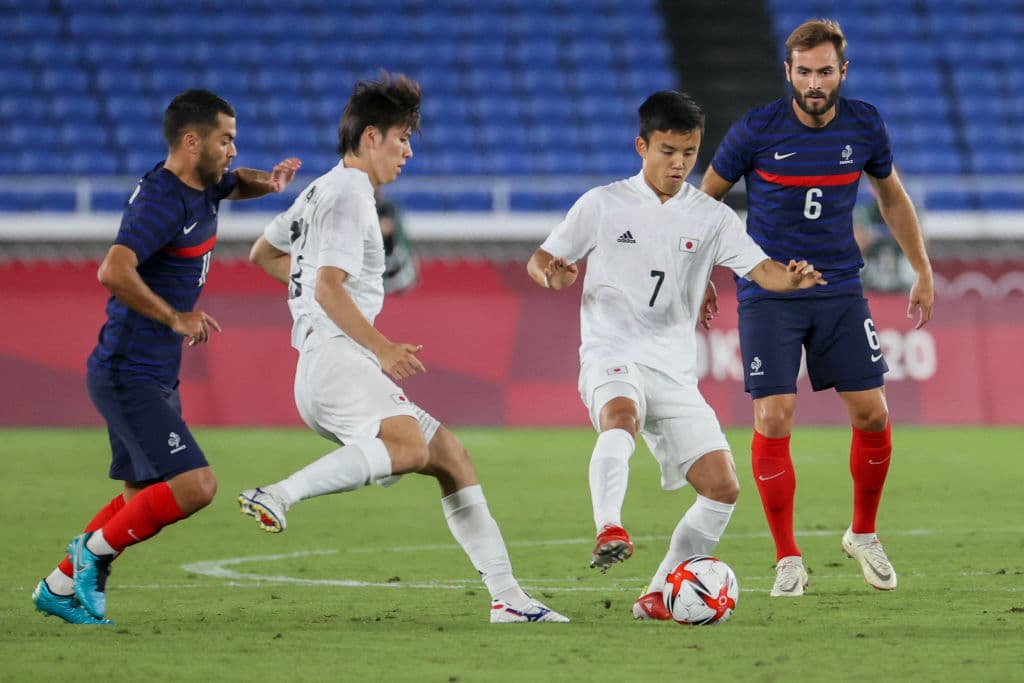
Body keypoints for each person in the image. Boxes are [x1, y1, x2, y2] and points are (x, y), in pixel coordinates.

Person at [238, 72, 568, 624]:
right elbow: (326, 286)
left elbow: (263, 254)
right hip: (339, 359)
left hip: (332, 362)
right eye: (402, 138)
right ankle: (279, 493)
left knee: (451, 457)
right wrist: (383, 346)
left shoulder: (321, 188)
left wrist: (322, 305)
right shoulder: (349, 195)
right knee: (410, 446)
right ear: (371, 137)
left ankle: (508, 599)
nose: (409, 151)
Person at [526, 90, 826, 620]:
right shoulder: (602, 203)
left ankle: (658, 595)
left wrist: (793, 278)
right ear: (642, 145)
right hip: (610, 353)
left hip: (673, 369)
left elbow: (763, 271)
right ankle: (609, 526)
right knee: (620, 416)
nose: (679, 163)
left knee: (723, 487)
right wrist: (554, 273)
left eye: (689, 152)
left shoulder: (710, 216)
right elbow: (544, 258)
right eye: (668, 150)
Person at [31, 89, 301, 625]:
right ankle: (91, 555)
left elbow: (235, 181)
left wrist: (267, 184)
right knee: (195, 486)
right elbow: (113, 269)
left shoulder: (203, 183)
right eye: (225, 139)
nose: (232, 150)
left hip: (150, 370)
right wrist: (175, 318)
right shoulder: (162, 201)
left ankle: (59, 586)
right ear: (191, 140)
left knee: (144, 493)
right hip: (128, 370)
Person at [700, 18, 934, 596]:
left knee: (874, 415)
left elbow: (892, 196)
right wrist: (700, 273)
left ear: (842, 72)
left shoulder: (865, 124)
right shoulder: (755, 130)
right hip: (768, 294)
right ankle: (787, 557)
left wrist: (922, 269)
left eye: (824, 72)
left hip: (838, 291)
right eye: (803, 72)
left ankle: (863, 533)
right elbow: (704, 202)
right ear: (788, 72)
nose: (813, 83)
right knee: (774, 416)